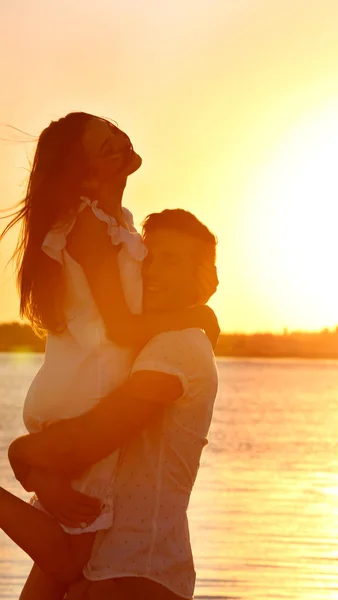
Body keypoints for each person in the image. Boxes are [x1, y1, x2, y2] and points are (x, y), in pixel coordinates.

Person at [0, 112, 219, 598]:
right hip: (87, 386)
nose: (122, 142)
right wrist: (196, 316)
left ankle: (47, 483)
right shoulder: (93, 229)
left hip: (84, 386)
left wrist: (197, 309)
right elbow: (123, 325)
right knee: (72, 552)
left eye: (118, 133)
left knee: (66, 536)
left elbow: (150, 305)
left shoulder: (121, 232)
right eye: (107, 146)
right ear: (85, 176)